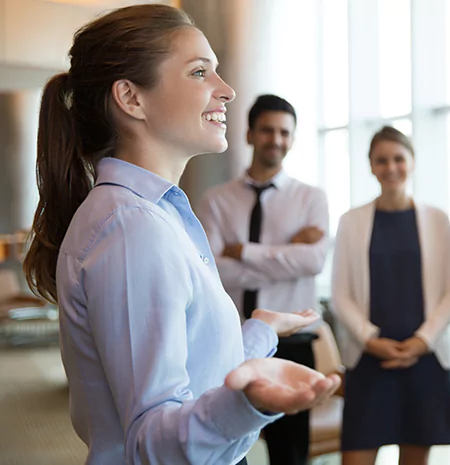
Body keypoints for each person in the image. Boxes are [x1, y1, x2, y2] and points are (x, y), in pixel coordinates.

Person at [21, 5, 339, 465]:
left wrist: (258, 331)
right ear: (131, 98)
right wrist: (250, 403)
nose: (226, 90)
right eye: (199, 72)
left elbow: (197, 374)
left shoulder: (153, 214)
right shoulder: (132, 228)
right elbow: (152, 442)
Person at [197, 94, 328, 465]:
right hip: (230, 338)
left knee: (290, 455)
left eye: (285, 132)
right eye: (268, 130)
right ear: (250, 134)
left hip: (293, 340)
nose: (276, 140)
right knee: (223, 445)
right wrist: (287, 250)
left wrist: (246, 251)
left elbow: (314, 260)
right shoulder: (216, 201)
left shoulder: (311, 199)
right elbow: (213, 270)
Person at [330, 126, 450, 465]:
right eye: (381, 160)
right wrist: (371, 340)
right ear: (371, 166)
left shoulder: (438, 220)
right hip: (369, 359)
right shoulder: (350, 221)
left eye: (399, 158)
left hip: (424, 360)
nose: (391, 167)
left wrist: (422, 341)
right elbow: (340, 295)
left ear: (412, 162)